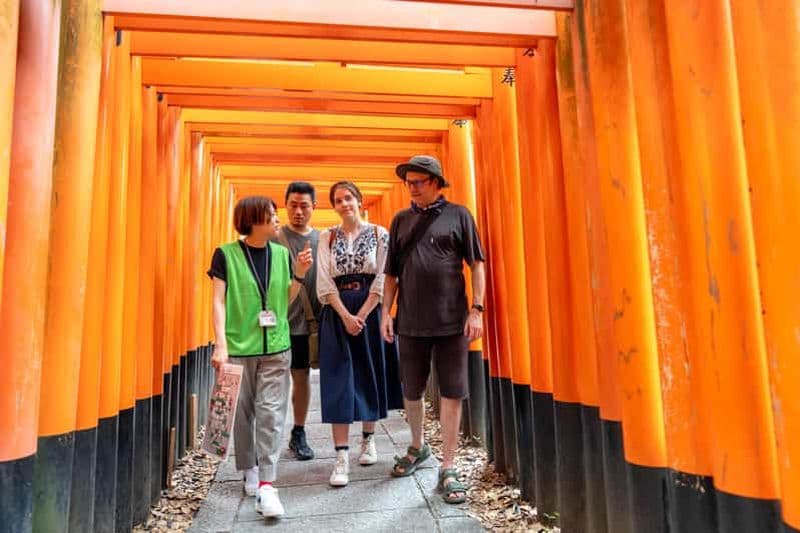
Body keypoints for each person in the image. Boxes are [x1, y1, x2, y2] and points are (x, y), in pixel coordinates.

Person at [380, 155, 486, 505]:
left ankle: (449, 465)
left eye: (419, 182)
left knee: (452, 390)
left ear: (437, 182)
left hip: (453, 319)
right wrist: (386, 313)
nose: (412, 188)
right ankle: (416, 445)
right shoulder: (400, 219)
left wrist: (477, 310)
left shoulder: (459, 215)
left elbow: (477, 264)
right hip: (410, 321)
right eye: (409, 182)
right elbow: (391, 272)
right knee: (411, 389)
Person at [207, 196, 313, 518]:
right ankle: (249, 467)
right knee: (243, 414)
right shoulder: (225, 254)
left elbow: (285, 299)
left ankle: (267, 484)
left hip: (277, 347)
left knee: (270, 412)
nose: (278, 219)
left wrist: (298, 275)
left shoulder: (282, 254)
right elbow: (218, 301)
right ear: (253, 219)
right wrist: (220, 343)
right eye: (271, 215)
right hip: (239, 346)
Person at [316, 181, 404, 487]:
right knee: (338, 380)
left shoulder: (381, 234)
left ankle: (368, 439)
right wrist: (345, 316)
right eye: (338, 200)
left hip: (369, 308)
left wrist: (363, 315)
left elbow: (384, 276)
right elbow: (324, 281)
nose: (344, 204)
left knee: (369, 374)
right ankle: (341, 456)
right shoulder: (326, 237)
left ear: (359, 200)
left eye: (348, 198)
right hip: (337, 311)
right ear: (334, 206)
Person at [275, 182, 321, 461]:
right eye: (293, 204)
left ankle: (299, 431)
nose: (298, 211)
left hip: (312, 324)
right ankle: (270, 435)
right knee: (276, 381)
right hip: (280, 323)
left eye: (305, 205)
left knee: (302, 377)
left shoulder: (324, 239)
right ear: (285, 205)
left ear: (314, 207)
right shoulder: (273, 239)